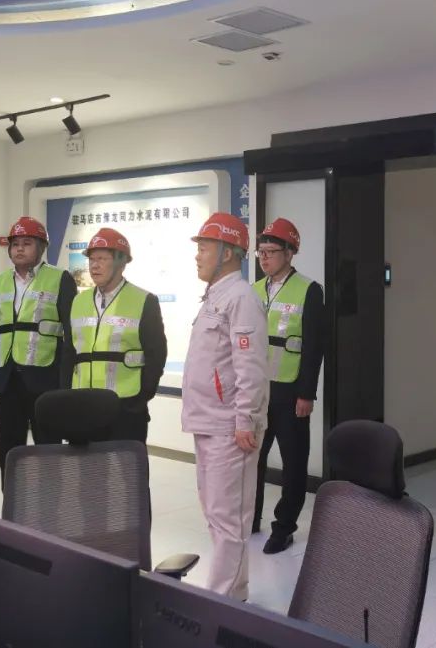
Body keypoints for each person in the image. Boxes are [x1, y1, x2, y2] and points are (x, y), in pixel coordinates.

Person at [181, 212, 269, 601]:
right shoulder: (216, 296)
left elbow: (251, 367)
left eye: (205, 247)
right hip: (208, 422)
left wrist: (246, 419)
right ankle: (235, 594)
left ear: (228, 252)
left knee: (229, 519)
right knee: (218, 516)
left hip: (229, 427)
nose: (197, 255)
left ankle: (221, 603)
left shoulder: (241, 298)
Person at [0, 216, 75, 483]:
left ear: (41, 247)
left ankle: (49, 499)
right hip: (6, 379)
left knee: (48, 446)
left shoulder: (60, 279)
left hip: (46, 378)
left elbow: (72, 335)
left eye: (27, 243)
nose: (19, 249)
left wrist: (66, 385)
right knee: (8, 448)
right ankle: (12, 499)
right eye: (15, 244)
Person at [251, 218, 324, 554]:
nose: (264, 258)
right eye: (261, 252)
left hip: (290, 390)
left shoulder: (309, 290)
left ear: (290, 253)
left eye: (271, 252)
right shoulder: (253, 290)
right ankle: (250, 518)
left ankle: (283, 528)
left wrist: (307, 393)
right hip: (256, 390)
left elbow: (314, 346)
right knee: (252, 459)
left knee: (293, 462)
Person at [69, 227, 167, 441]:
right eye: (91, 259)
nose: (94, 265)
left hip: (125, 407)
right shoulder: (78, 301)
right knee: (86, 462)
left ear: (121, 263)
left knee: (125, 463)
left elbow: (157, 354)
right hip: (83, 405)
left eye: (102, 259)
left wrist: (140, 399)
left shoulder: (144, 300)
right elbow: (69, 352)